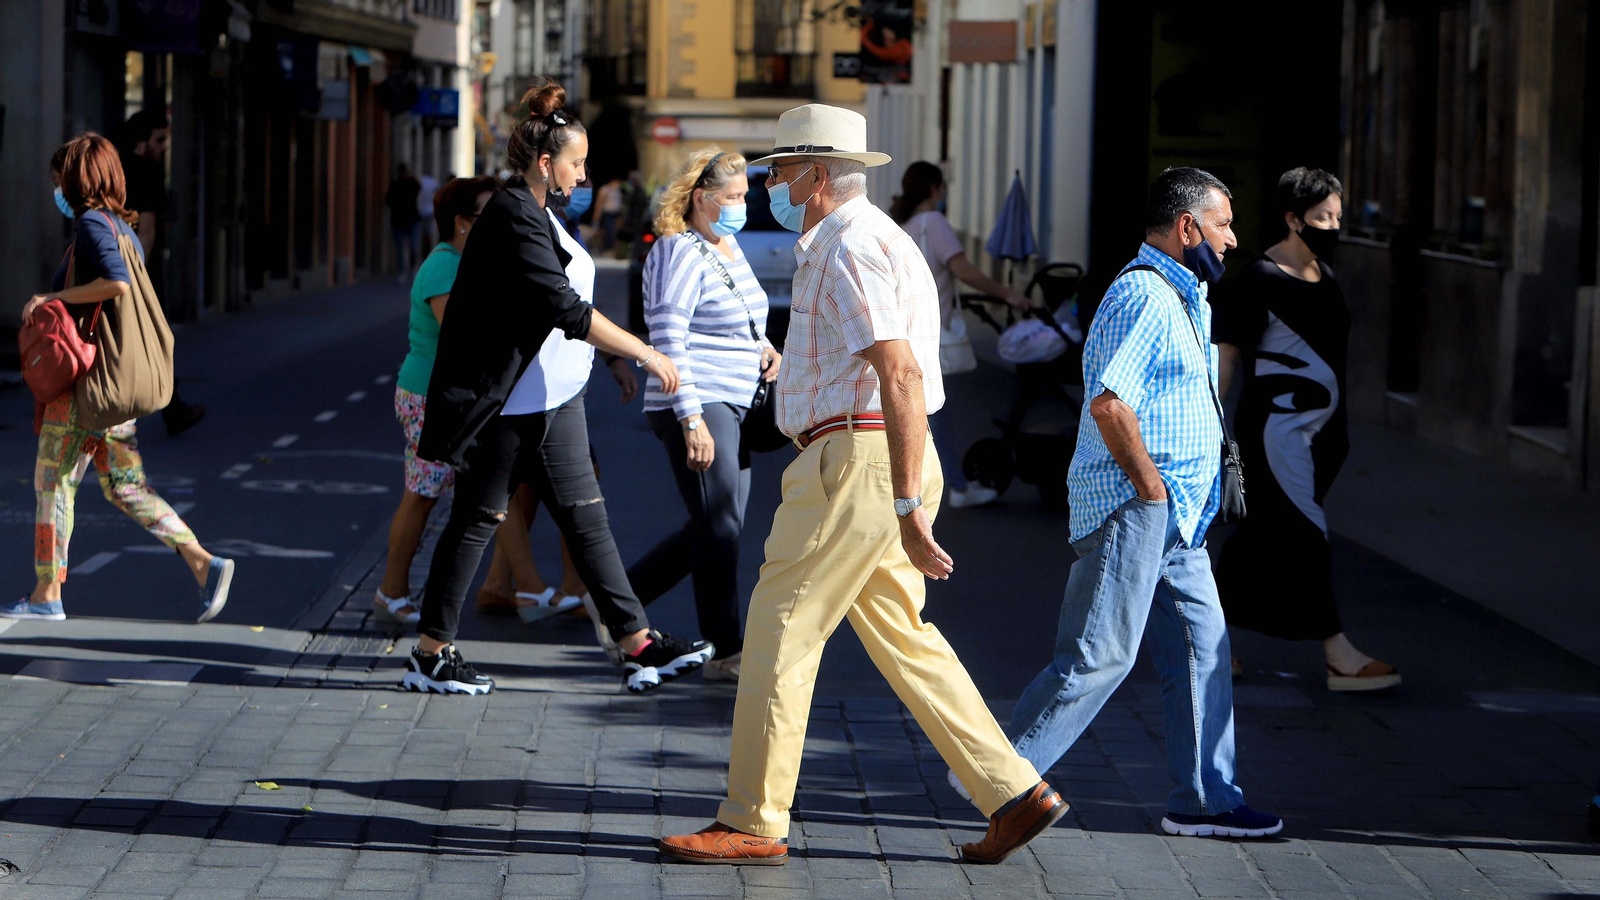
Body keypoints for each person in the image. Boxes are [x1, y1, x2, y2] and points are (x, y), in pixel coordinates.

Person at [659, 105, 1065, 867]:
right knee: (905, 638)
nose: (769, 186)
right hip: (872, 458)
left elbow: (900, 370)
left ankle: (753, 816)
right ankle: (1013, 790)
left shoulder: (849, 246)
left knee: (781, 629)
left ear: (816, 176)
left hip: (859, 460)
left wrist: (908, 501)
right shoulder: (869, 239)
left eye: (778, 172)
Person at [997, 167, 1282, 839]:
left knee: (1202, 652)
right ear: (1187, 228)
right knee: (1099, 655)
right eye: (1223, 224)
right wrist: (1150, 488)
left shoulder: (1189, 297)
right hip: (1136, 509)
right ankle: (997, 776)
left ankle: (1206, 800)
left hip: (1179, 520)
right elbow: (1109, 403)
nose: (1234, 239)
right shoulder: (1144, 296)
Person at [408, 78, 709, 697]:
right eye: (577, 161)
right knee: (476, 518)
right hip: (508, 403)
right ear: (546, 164)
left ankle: (636, 642)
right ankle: (431, 652)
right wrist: (646, 352)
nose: (584, 171)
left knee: (586, 518)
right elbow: (566, 308)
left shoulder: (536, 210)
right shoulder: (514, 214)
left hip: (551, 396)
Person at [4, 134, 234, 624]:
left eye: (58, 180)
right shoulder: (122, 228)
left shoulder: (91, 224)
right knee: (126, 486)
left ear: (77, 181)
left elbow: (116, 283)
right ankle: (202, 562)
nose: (55, 189)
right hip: (113, 390)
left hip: (87, 388)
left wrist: (53, 299)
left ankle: (47, 594)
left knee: (53, 482)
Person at [1212, 167, 1399, 692]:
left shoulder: (1327, 276)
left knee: (1263, 539)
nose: (1334, 227)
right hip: (1277, 437)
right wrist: (1214, 429)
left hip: (1322, 440)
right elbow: (1227, 361)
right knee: (1306, 537)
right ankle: (1339, 655)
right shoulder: (1258, 281)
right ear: (1294, 219)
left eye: (1339, 217)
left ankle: (1209, 644)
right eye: (1324, 218)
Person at [625, 148, 782, 684]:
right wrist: (691, 419)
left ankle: (625, 605)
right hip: (699, 400)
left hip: (737, 400)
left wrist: (765, 348)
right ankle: (722, 648)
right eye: (734, 197)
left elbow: (743, 315)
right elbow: (668, 336)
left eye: (745, 195)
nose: (743, 204)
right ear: (700, 199)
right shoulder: (678, 250)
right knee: (720, 527)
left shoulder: (728, 246)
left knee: (721, 529)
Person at [375, 175, 499, 625]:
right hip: (430, 395)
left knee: (480, 490)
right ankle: (391, 592)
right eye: (491, 214)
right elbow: (461, 334)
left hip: (450, 396)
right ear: (464, 222)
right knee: (422, 495)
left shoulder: (471, 260)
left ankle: (511, 586)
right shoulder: (445, 264)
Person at [891, 161, 1030, 509]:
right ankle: (953, 487)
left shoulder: (902, 225)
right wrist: (1008, 294)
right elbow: (963, 269)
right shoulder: (933, 223)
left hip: (903, 331)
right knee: (934, 413)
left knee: (921, 413)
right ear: (935, 189)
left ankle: (929, 485)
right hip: (929, 336)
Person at [118, 109, 206, 437]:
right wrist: (135, 277)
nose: (164, 147)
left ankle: (172, 408)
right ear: (141, 142)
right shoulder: (147, 173)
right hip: (139, 273)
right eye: (159, 140)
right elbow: (149, 230)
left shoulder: (111, 170)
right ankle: (171, 411)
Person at [387, 164, 423, 281]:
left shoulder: (397, 184)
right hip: (407, 219)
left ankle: (405, 271)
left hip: (404, 219)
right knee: (408, 246)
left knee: (404, 247)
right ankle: (408, 270)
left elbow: (388, 201)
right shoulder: (409, 183)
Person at [597, 176, 625, 251]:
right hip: (608, 212)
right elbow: (600, 201)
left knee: (616, 231)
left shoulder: (619, 190)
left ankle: (613, 248)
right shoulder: (605, 189)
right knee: (609, 230)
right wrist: (597, 213)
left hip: (617, 213)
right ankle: (607, 248)